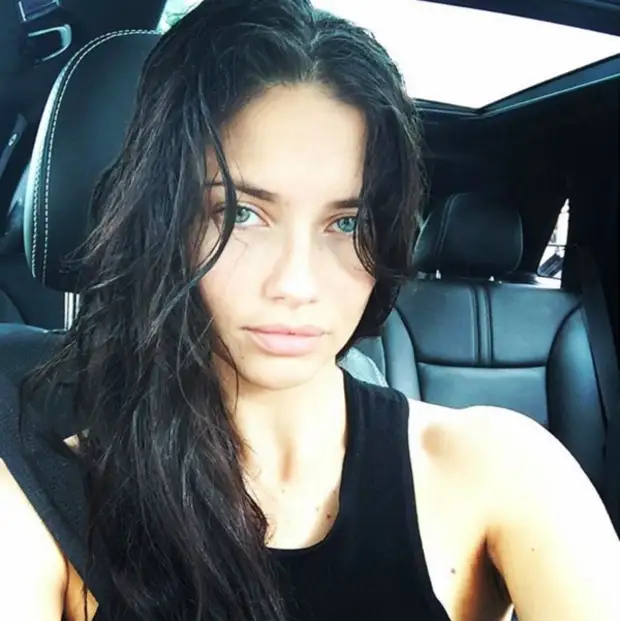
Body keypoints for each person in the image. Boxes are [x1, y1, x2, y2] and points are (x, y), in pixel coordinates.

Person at [0, 1, 619, 620]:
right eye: (240, 213)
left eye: (347, 222)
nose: (297, 284)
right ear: (164, 223)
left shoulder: (504, 467)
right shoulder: (42, 497)